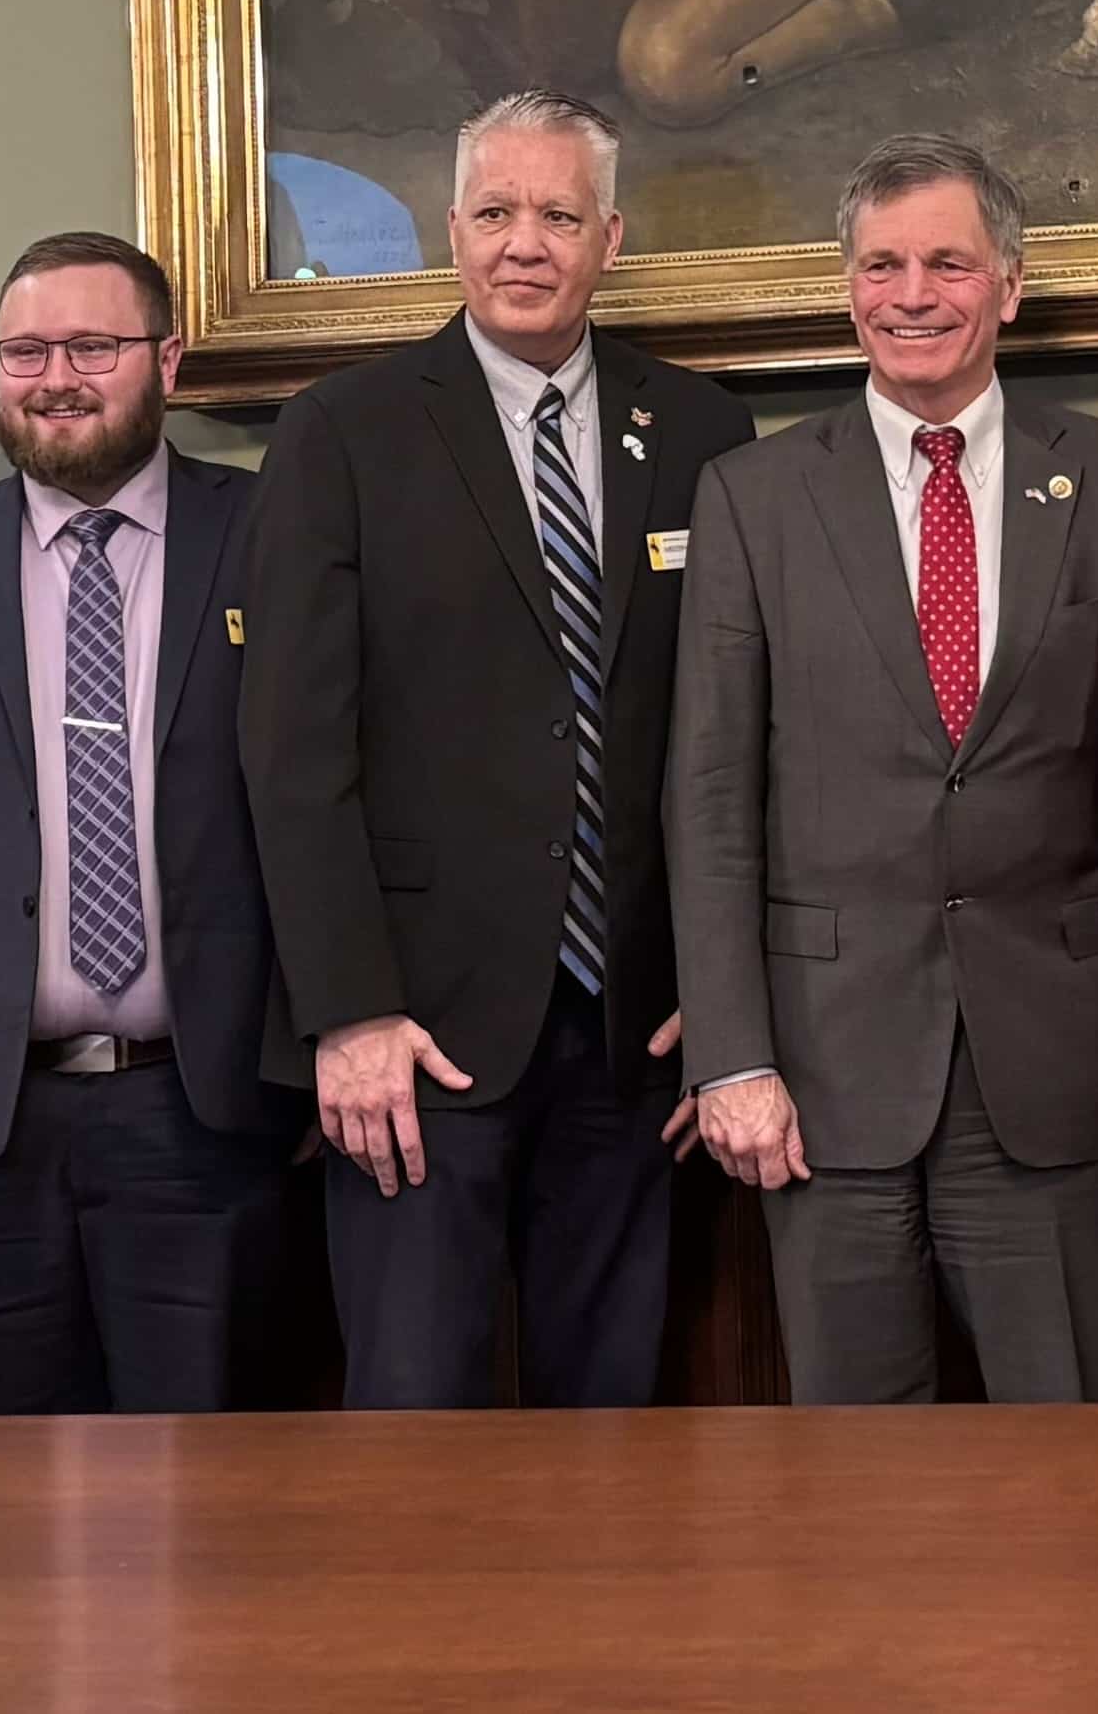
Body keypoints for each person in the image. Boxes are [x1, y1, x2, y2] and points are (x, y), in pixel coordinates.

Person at [242, 92, 759, 1408]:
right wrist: (347, 1012)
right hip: (419, 1034)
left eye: (557, 215)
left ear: (611, 237)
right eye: (494, 213)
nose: (524, 244)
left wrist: (727, 987)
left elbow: (736, 734)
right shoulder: (343, 433)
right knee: (416, 1427)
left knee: (617, 1423)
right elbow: (292, 749)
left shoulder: (700, 433)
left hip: (635, 1031)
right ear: (451, 230)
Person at [668, 135, 1098, 1403]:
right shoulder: (752, 494)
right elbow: (712, 794)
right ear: (848, 286)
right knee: (858, 1495)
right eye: (883, 263)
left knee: (1081, 1467)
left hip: (1060, 1065)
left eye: (948, 263)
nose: (913, 293)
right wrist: (729, 1056)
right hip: (823, 1077)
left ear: (1007, 284)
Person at [0, 236, 307, 1413]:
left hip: (208, 1108)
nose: (55, 375)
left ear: (166, 360)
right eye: (25, 349)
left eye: (92, 345)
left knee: (213, 1494)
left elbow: (334, 806)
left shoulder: (272, 533)